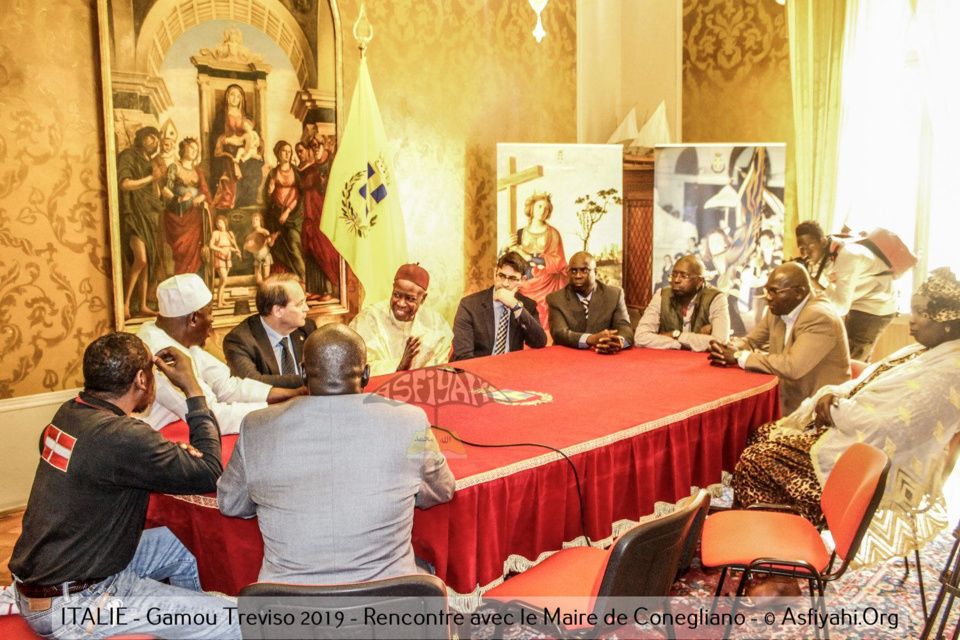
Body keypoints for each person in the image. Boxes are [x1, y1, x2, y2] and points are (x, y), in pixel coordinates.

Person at [9, 332, 239, 639]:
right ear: (141, 380)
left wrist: (155, 454)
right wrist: (193, 389)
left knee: (184, 541)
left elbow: (112, 457)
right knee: (238, 619)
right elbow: (210, 471)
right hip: (74, 605)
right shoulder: (122, 436)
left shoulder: (71, 411)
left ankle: (188, 624)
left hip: (50, 577)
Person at [733, 267, 960, 570]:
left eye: (920, 313)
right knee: (762, 434)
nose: (911, 321)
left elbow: (889, 424)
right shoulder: (923, 350)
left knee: (758, 460)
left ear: (947, 322)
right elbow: (866, 379)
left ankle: (781, 571)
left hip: (874, 462)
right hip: (851, 431)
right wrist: (832, 394)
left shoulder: (950, 370)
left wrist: (835, 406)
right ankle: (777, 541)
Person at [217, 324, 455, 584]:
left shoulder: (257, 426)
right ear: (366, 374)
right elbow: (442, 490)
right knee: (427, 569)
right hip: (387, 604)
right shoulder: (410, 420)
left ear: (304, 373)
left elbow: (231, 503)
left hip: (289, 610)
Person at [137, 273, 303, 434]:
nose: (213, 320)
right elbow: (214, 417)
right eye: (210, 312)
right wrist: (283, 409)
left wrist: (292, 394)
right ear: (193, 319)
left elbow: (227, 386)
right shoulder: (159, 355)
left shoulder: (177, 339)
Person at [707, 263, 850, 416]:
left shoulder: (820, 317)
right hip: (785, 400)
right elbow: (751, 341)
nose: (768, 297)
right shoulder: (779, 308)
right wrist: (728, 348)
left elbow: (792, 367)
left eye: (774, 291)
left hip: (817, 411)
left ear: (799, 293)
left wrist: (739, 356)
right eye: (767, 290)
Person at [796, 220, 897, 362]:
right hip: (859, 305)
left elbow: (841, 307)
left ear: (823, 242)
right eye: (801, 248)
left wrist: (811, 282)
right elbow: (834, 294)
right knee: (852, 360)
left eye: (809, 247)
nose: (805, 253)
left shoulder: (848, 255)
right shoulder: (828, 254)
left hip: (874, 309)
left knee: (848, 363)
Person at [349, 263, 454, 375]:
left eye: (410, 298)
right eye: (397, 295)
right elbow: (355, 367)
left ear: (423, 298)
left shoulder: (436, 324)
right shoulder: (368, 319)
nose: (401, 303)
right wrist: (398, 365)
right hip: (378, 390)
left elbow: (440, 369)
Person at [223, 273, 317, 389]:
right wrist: (310, 378)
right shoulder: (239, 340)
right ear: (277, 310)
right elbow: (252, 383)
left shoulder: (308, 328)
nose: (306, 309)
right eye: (299, 304)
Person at [451, 251, 546, 361]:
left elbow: (539, 342)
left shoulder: (527, 305)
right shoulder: (469, 305)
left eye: (512, 278)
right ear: (495, 273)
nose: (505, 283)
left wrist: (515, 306)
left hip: (509, 371)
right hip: (477, 371)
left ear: (522, 280)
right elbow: (463, 356)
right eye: (501, 276)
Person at [635, 255, 730, 352]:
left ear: (700, 281)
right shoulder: (662, 294)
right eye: (674, 275)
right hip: (667, 360)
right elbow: (640, 337)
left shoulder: (716, 298)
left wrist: (675, 335)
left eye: (684, 276)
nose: (676, 280)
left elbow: (720, 342)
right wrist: (680, 344)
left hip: (701, 363)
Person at [117, 125, 164, 319]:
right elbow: (124, 184)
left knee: (148, 261)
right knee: (141, 259)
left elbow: (156, 194)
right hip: (133, 214)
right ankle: (126, 304)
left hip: (148, 214)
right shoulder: (129, 156)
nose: (154, 142)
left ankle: (142, 304)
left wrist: (156, 180)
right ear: (141, 138)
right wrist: (150, 177)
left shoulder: (150, 162)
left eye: (156, 139)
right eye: (150, 138)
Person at [546, 251, 634, 353]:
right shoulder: (556, 298)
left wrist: (618, 341)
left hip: (604, 356)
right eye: (573, 271)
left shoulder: (614, 294)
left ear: (595, 272)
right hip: (569, 357)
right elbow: (559, 333)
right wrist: (590, 339)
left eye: (584, 270)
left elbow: (625, 328)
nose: (578, 275)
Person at [504, 193, 568, 329]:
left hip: (547, 284)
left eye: (546, 208)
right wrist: (506, 247)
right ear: (531, 208)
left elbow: (558, 261)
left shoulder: (553, 233)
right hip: (524, 283)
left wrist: (528, 257)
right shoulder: (520, 233)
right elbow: (507, 260)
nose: (542, 211)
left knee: (544, 317)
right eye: (539, 206)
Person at [162, 137, 212, 275]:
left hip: (195, 218)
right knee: (182, 252)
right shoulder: (174, 167)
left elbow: (205, 192)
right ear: (183, 148)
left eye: (196, 150)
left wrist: (201, 196)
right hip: (178, 216)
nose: (194, 151)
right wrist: (179, 199)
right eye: (191, 148)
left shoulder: (198, 171)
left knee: (196, 253)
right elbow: (165, 190)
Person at [299, 135, 340, 298]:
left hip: (327, 213)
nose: (315, 148)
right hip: (313, 214)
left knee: (325, 250)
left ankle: (328, 290)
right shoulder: (312, 168)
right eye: (312, 146)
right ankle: (316, 289)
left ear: (323, 146)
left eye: (317, 145)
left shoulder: (333, 164)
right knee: (311, 246)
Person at [211, 84, 263, 210]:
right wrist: (226, 140)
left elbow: (254, 135)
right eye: (232, 95)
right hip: (227, 150)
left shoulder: (247, 117)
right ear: (227, 97)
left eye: (238, 96)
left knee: (253, 166)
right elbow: (214, 136)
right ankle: (229, 201)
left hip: (244, 148)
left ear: (241, 100)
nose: (235, 98)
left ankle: (247, 200)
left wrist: (255, 143)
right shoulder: (221, 117)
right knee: (229, 166)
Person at [263, 140, 305, 280]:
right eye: (284, 151)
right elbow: (267, 198)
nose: (287, 154)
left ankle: (302, 278)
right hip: (276, 217)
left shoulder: (296, 171)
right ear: (278, 154)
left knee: (293, 242)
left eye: (289, 151)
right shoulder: (273, 173)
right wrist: (269, 191)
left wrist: (287, 211)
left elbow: (299, 195)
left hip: (293, 216)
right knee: (278, 248)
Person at [210, 214, 241, 307]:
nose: (219, 224)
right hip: (219, 259)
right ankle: (219, 302)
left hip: (227, 260)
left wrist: (236, 250)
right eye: (217, 223)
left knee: (223, 281)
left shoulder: (229, 233)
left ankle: (221, 301)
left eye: (220, 222)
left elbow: (229, 247)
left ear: (225, 223)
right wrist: (221, 250)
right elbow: (211, 245)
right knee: (224, 279)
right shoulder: (216, 233)